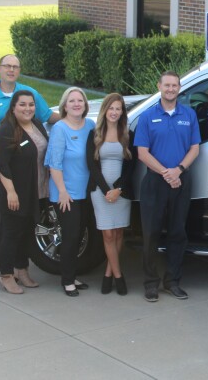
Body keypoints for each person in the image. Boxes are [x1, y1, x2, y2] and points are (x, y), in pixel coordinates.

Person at [0, 54, 57, 286]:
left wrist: (76, 118)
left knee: (17, 223)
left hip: (22, 166)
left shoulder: (29, 94)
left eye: (15, 66)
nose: (11, 70)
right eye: (7, 66)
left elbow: (48, 116)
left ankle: (15, 267)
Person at [134, 71, 201, 302]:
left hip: (181, 180)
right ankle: (150, 283)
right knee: (151, 234)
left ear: (179, 88)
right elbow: (142, 153)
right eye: (167, 85)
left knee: (177, 233)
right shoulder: (147, 116)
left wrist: (178, 170)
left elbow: (195, 148)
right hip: (155, 182)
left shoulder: (189, 115)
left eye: (174, 85)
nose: (171, 89)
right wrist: (166, 173)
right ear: (159, 87)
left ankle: (172, 281)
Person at [0, 91, 49, 294]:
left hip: (36, 191)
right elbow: (2, 165)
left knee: (26, 233)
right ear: (13, 107)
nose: (28, 108)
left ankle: (22, 270)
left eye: (31, 104)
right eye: (22, 105)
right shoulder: (6, 130)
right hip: (15, 193)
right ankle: (6, 275)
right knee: (10, 234)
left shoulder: (37, 125)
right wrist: (11, 192)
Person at [45, 87, 94, 297]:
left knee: (80, 235)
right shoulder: (60, 129)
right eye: (72, 101)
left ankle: (72, 275)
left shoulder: (90, 125)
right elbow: (54, 164)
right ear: (64, 106)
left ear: (85, 105)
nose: (76, 104)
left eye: (80, 101)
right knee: (71, 236)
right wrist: (62, 192)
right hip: (66, 194)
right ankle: (67, 280)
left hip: (86, 192)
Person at [86, 93, 134, 296]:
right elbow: (92, 166)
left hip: (122, 192)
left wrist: (118, 189)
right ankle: (118, 276)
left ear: (122, 112)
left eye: (118, 109)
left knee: (118, 233)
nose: (114, 112)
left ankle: (108, 274)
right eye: (111, 108)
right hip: (100, 191)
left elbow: (131, 167)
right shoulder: (94, 134)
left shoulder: (128, 134)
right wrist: (107, 190)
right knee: (107, 234)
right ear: (105, 110)